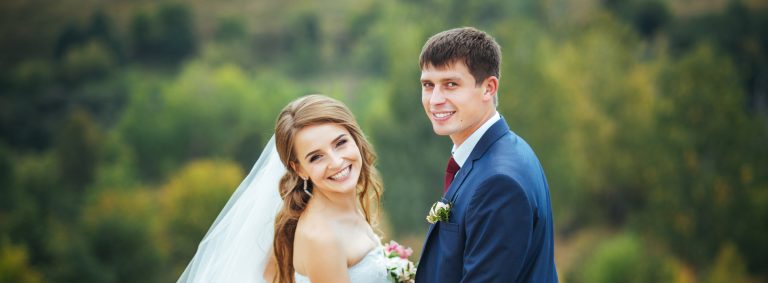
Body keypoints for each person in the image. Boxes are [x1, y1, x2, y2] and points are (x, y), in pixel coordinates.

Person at [178, 95, 393, 283]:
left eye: (340, 143)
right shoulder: (323, 239)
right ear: (299, 169)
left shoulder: (336, 207)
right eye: (316, 157)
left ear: (355, 138)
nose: (336, 162)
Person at [415, 27, 559, 282]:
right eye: (428, 85)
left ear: (488, 88)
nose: (435, 99)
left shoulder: (499, 183)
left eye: (451, 84)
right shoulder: (507, 149)